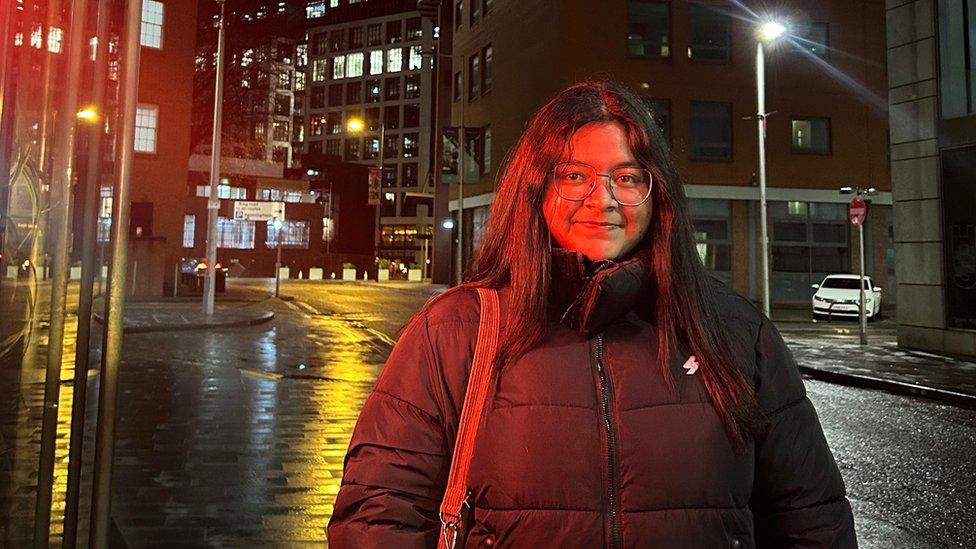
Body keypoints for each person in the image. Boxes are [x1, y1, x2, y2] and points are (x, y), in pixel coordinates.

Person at [328, 81, 857, 548]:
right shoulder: (452, 332)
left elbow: (810, 520)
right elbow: (379, 516)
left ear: (657, 194)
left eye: (627, 178)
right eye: (574, 175)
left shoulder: (738, 334)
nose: (602, 200)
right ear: (535, 190)